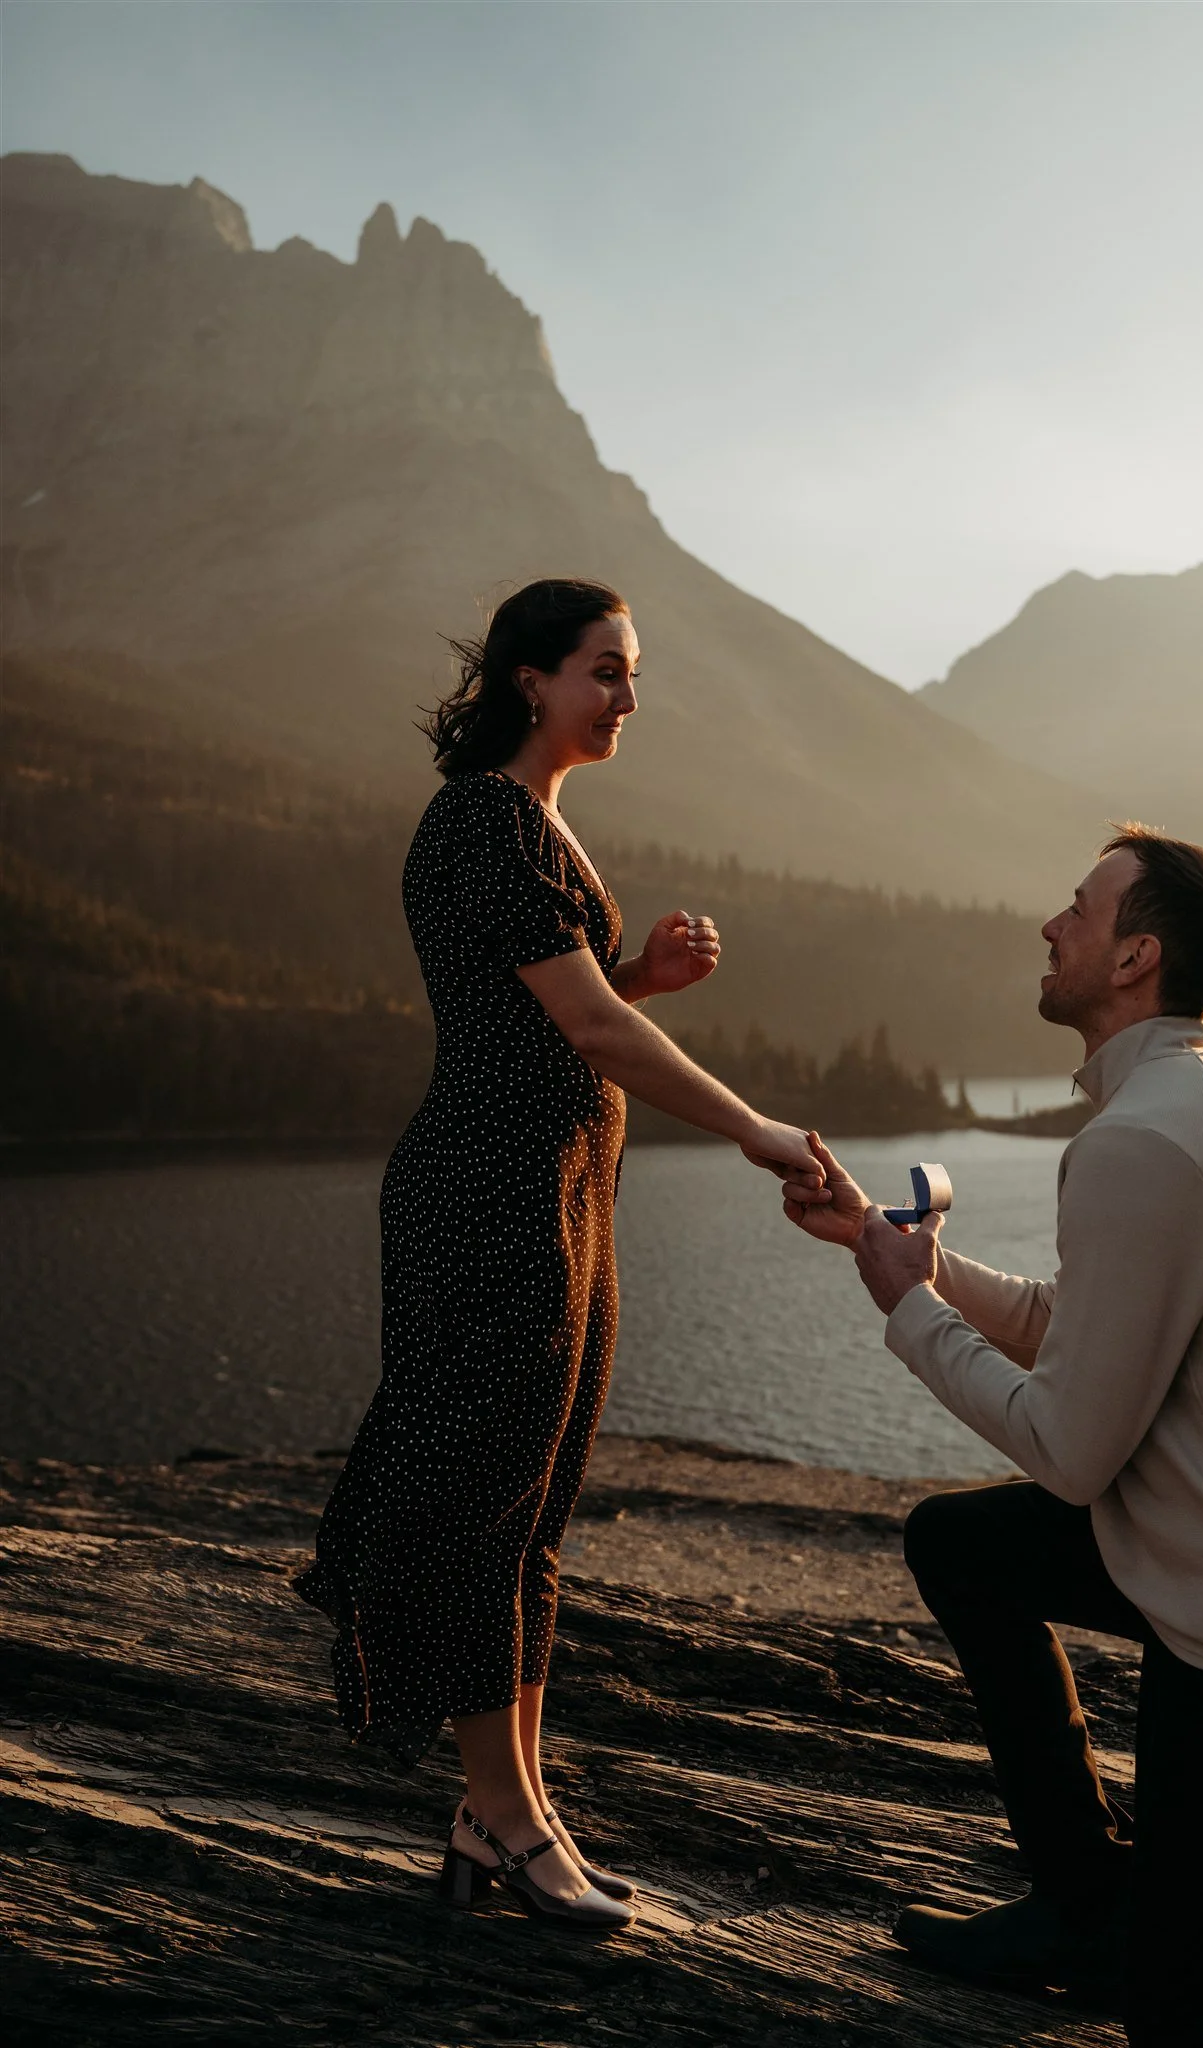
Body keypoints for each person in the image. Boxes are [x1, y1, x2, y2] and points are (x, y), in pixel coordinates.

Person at [295, 577, 824, 1931]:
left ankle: (509, 1807)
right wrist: (754, 1124)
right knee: (482, 1505)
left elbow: (555, 1006)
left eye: (630, 672)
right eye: (607, 670)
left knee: (533, 1511)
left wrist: (635, 973)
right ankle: (504, 1817)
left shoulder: (534, 828)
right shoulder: (482, 820)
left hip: (558, 1193)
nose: (629, 697)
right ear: (530, 679)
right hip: (487, 1198)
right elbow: (580, 1033)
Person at [782, 826, 1203, 2044]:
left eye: (1079, 911)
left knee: (1189, 2024)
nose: (1052, 926)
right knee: (965, 1543)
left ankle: (1129, 1935)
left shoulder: (1148, 1138)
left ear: (1136, 957)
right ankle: (1085, 1896)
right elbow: (1078, 1324)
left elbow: (1071, 1451)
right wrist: (914, 1262)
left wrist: (910, 1315)